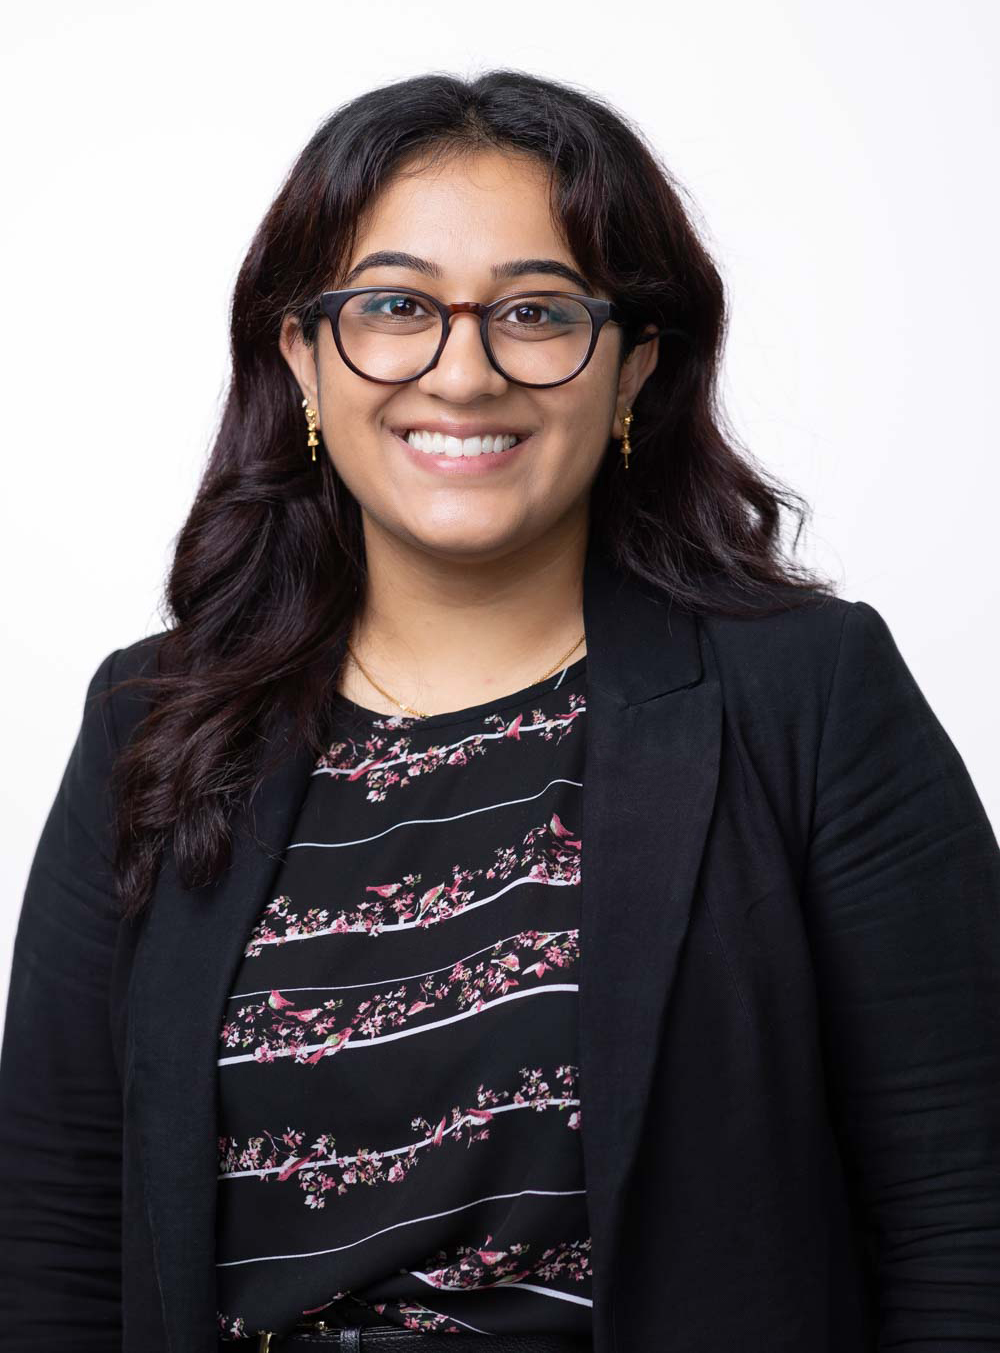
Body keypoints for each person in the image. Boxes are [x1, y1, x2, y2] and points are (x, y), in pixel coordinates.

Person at [1, 68, 999, 1353]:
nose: (460, 372)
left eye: (534, 312)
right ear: (303, 352)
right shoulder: (152, 719)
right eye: (395, 307)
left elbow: (964, 1218)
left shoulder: (806, 694)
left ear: (633, 364)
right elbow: (55, 1231)